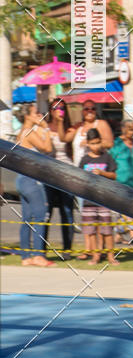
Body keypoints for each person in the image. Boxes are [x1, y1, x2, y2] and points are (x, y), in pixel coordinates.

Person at [15, 104, 54, 267]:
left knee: (27, 219)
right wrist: (45, 128)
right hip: (32, 180)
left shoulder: (21, 132)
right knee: (40, 216)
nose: (39, 114)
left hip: (22, 179)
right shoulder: (30, 132)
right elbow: (47, 148)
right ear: (28, 116)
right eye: (35, 112)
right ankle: (38, 255)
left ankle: (26, 256)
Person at [79, 128, 119, 265]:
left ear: (101, 141)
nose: (96, 146)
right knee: (91, 231)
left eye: (98, 143)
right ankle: (95, 256)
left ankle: (110, 256)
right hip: (88, 200)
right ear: (88, 144)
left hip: (104, 200)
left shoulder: (107, 157)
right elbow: (79, 178)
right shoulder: (84, 160)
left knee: (107, 229)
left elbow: (114, 175)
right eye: (93, 143)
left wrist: (102, 173)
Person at [42, 98, 75, 257]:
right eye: (55, 108)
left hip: (65, 172)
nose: (58, 110)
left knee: (66, 211)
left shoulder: (69, 128)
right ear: (50, 110)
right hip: (48, 173)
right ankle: (42, 249)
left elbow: (63, 139)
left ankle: (67, 249)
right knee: (46, 212)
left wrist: (61, 122)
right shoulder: (45, 127)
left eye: (61, 107)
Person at [110, 119, 133, 246]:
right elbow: (110, 159)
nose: (131, 132)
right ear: (123, 129)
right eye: (129, 129)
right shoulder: (117, 143)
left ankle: (118, 235)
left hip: (131, 181)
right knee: (127, 209)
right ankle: (132, 234)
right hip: (119, 181)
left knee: (123, 210)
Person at [72, 100, 114, 167]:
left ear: (96, 111)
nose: (90, 111)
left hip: (94, 167)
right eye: (86, 109)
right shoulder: (78, 126)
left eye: (93, 109)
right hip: (78, 167)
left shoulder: (101, 123)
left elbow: (110, 144)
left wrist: (91, 142)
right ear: (82, 111)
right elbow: (64, 139)